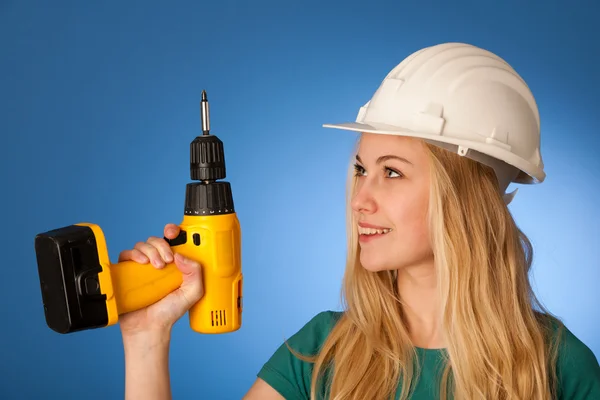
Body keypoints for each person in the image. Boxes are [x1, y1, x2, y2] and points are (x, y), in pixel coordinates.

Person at [117, 43, 600, 399]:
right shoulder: (322, 352)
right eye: (360, 170)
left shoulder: (557, 367)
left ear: (467, 199)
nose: (359, 200)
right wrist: (146, 340)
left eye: (392, 172)